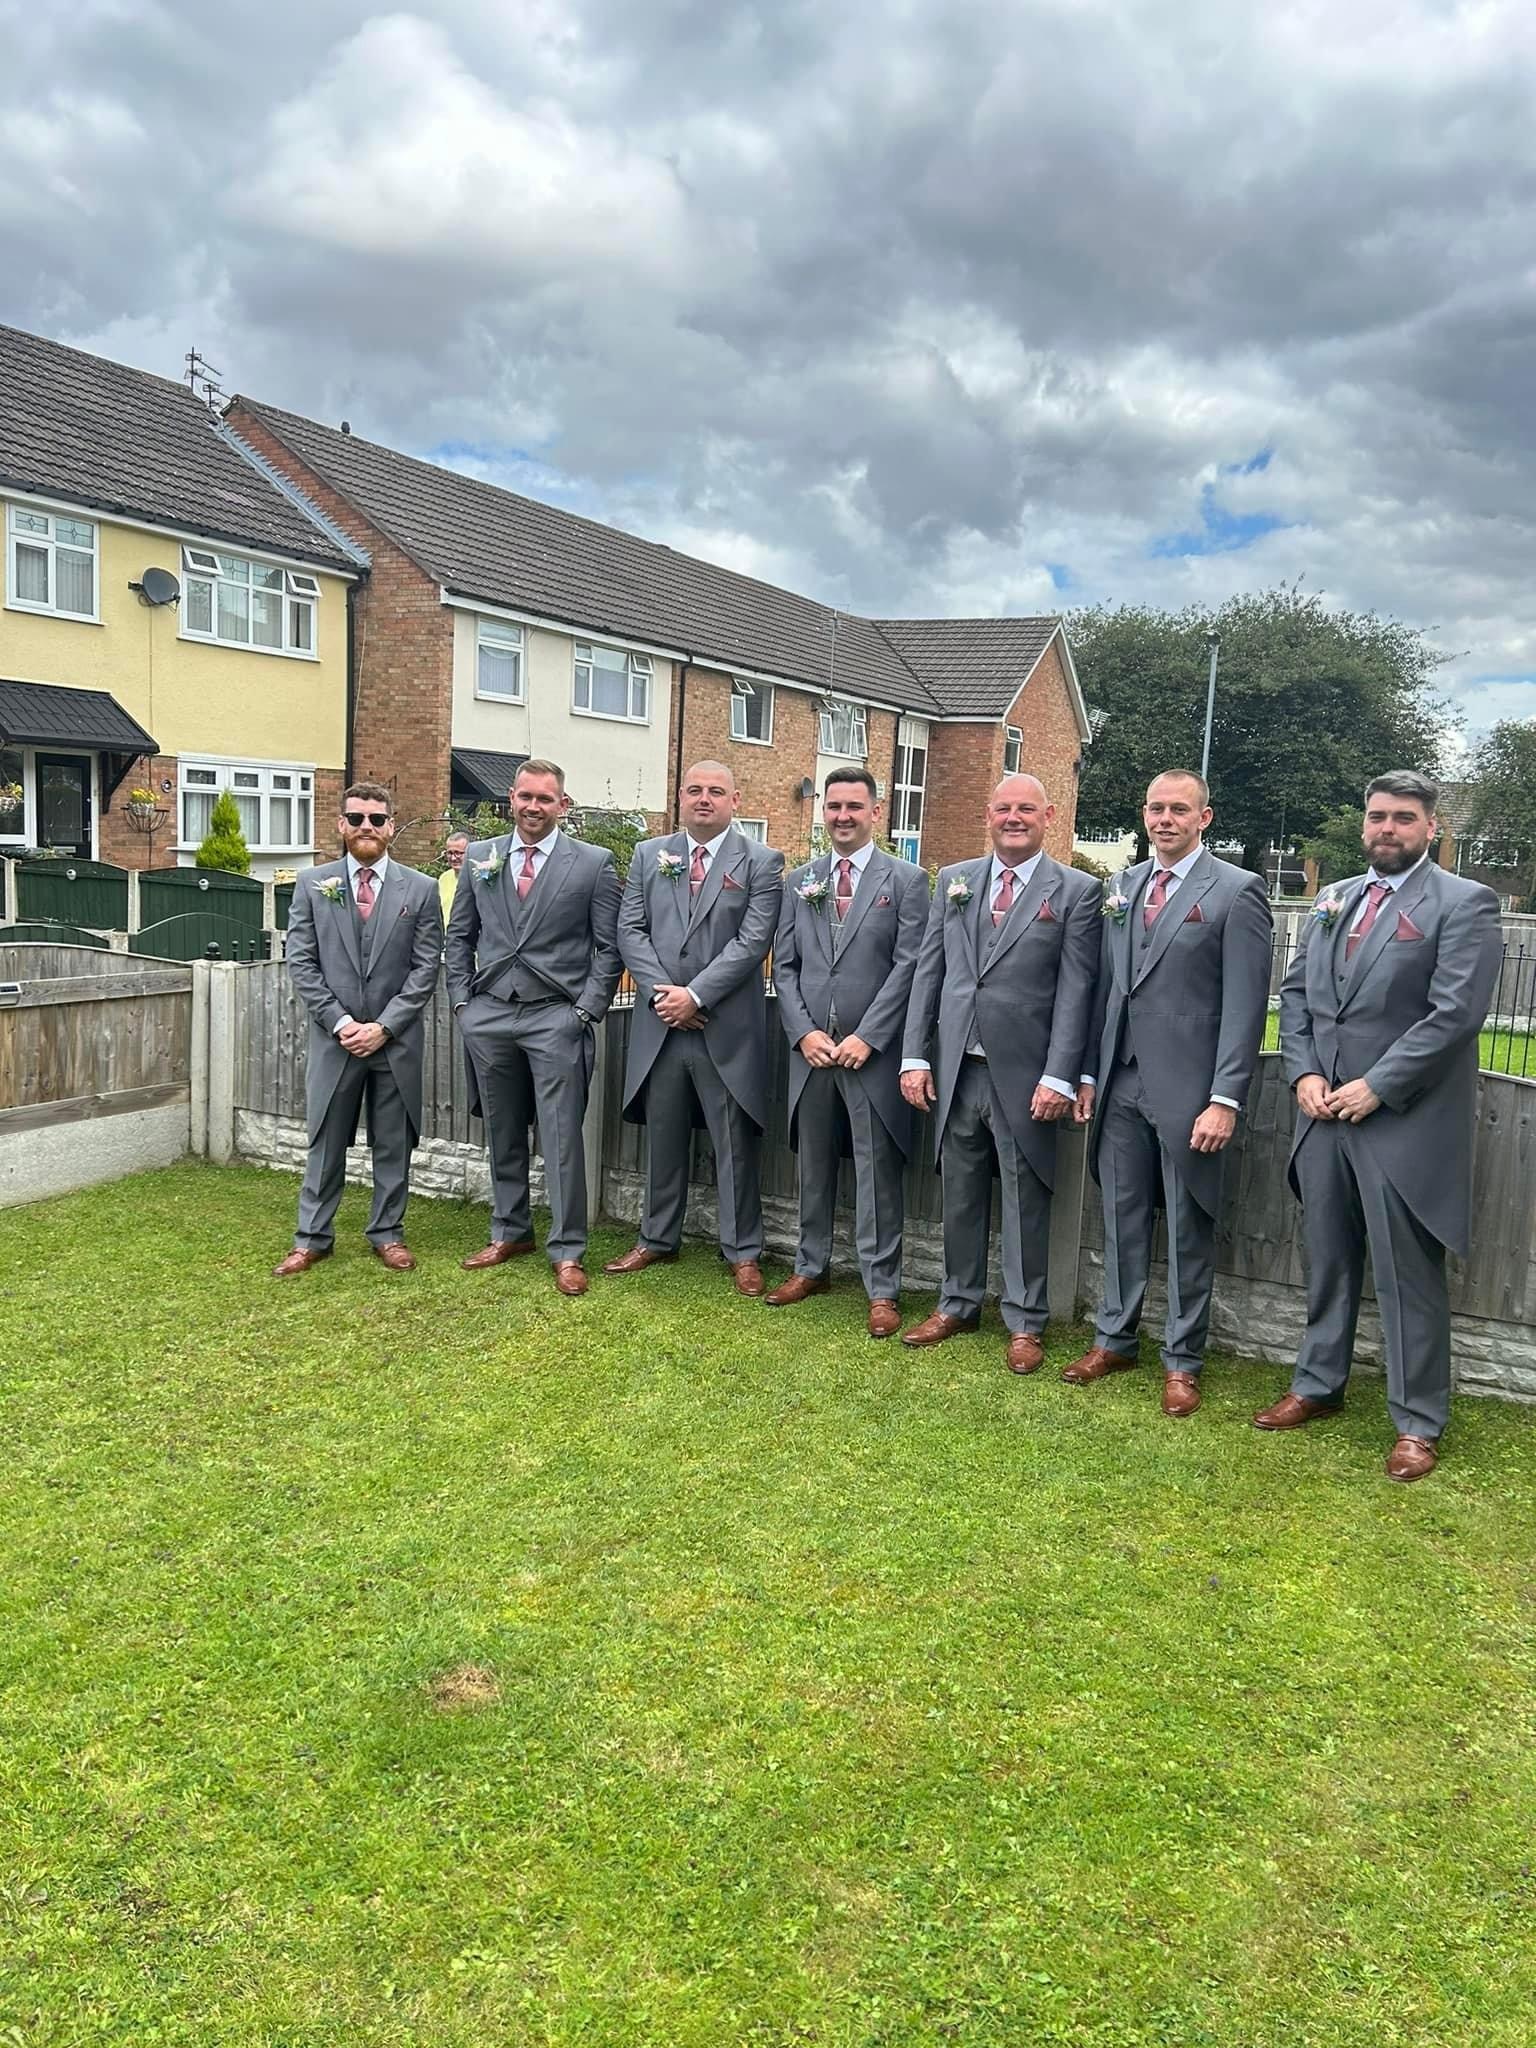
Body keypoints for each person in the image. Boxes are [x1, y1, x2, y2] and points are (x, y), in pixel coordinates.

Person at [1253, 771, 1501, 1481]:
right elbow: (1297, 995)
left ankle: (1418, 1421)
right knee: (1326, 1262)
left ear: (1430, 828)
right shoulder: (1333, 899)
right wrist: (1302, 1072)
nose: (1386, 829)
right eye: (1376, 817)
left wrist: (1379, 1086)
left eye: (1402, 818)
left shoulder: (1464, 904)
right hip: (1322, 1115)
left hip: (1403, 1123)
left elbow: (1454, 1014)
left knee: (1407, 1278)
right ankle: (1317, 1385)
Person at [1066, 769, 1272, 1416]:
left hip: (1190, 1092)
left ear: (1204, 819)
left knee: (1188, 1227)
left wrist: (1225, 1098)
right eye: (1156, 808)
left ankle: (1182, 1360)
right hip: (1121, 1082)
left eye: (1179, 809)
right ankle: (1114, 1339)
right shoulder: (1121, 888)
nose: (1165, 819)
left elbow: (1245, 1008)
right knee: (1122, 1219)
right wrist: (1091, 1075)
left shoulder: (1238, 893)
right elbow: (1106, 990)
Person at [899, 773, 1100, 1371]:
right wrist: (916, 1055)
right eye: (1004, 808)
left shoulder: (1077, 892)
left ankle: (1025, 1320)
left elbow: (1077, 990)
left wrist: (1061, 1074)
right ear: (988, 813)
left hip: (1027, 1074)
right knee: (958, 1192)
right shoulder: (956, 881)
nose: (1014, 818)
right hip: (958, 1068)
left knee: (1023, 1197)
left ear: (1048, 815)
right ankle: (957, 1303)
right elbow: (929, 972)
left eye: (1026, 809)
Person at [446, 759, 622, 1296]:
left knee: (562, 1135)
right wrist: (462, 1005)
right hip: (491, 1013)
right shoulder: (480, 857)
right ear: (512, 799)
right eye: (525, 796)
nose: (533, 807)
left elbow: (608, 948)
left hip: (556, 1016)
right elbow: (459, 937)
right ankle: (510, 1231)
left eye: (545, 799)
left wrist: (585, 1012)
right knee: (502, 1129)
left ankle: (568, 1250)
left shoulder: (593, 864)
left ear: (562, 805)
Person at [607, 761, 784, 1293]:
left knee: (733, 1143)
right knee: (663, 1138)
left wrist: (697, 995)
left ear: (735, 799)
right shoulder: (647, 855)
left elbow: (753, 942)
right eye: (694, 790)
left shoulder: (761, 861)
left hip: (723, 1026)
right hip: (662, 1024)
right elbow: (629, 929)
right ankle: (657, 1238)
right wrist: (667, 994)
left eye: (715, 792)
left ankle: (743, 1251)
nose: (703, 799)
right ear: (680, 797)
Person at [768, 767, 929, 1336]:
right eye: (833, 806)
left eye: (853, 807)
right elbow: (784, 967)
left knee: (875, 1173)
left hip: (871, 1056)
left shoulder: (907, 881)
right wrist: (803, 1032)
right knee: (812, 1166)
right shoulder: (800, 880)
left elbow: (910, 965)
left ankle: (881, 1289)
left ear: (875, 812)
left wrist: (870, 1036)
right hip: (811, 1053)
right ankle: (809, 1267)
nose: (841, 816)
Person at [274, 781, 443, 1276]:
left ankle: (388, 1233)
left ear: (391, 826)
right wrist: (344, 1023)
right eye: (355, 819)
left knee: (393, 1142)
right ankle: (312, 1238)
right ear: (340, 825)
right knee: (326, 1142)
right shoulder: (312, 884)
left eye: (375, 819)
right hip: (337, 1041)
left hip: (396, 1045)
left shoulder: (422, 889)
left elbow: (425, 968)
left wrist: (385, 1027)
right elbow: (301, 963)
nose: (365, 827)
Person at [438, 830, 470, 923]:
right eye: (450, 853)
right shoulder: (444, 878)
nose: (453, 858)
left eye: (458, 853)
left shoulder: (478, 878)